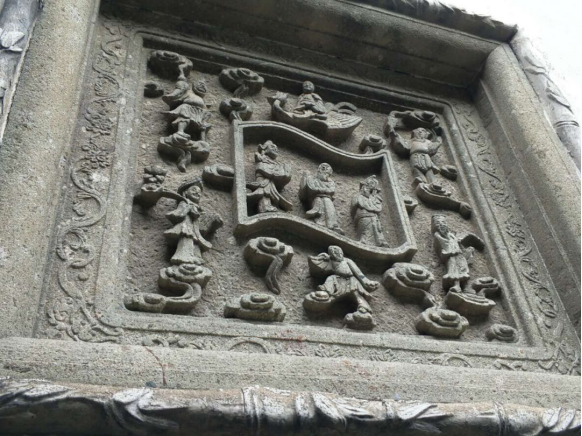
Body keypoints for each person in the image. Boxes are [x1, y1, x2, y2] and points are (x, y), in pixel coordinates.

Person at [164, 180, 214, 266]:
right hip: (186, 226)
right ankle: (183, 256)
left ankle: (197, 257)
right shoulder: (184, 203)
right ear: (185, 192)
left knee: (196, 241)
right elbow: (180, 214)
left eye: (199, 192)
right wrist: (188, 209)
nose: (197, 193)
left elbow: (199, 218)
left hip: (194, 227)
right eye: (193, 190)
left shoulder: (198, 208)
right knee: (187, 239)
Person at [247, 141, 293, 213]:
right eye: (272, 147)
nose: (275, 149)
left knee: (269, 194)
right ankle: (264, 207)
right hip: (263, 181)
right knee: (264, 193)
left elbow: (279, 176)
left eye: (276, 148)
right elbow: (264, 170)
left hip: (269, 182)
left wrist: (286, 173)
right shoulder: (262, 159)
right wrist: (280, 173)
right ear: (265, 149)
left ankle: (267, 205)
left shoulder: (274, 163)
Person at [300, 163, 344, 235]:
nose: (327, 176)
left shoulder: (331, 182)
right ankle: (320, 222)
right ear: (321, 170)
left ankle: (333, 225)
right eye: (326, 173)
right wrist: (323, 190)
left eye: (328, 174)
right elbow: (312, 188)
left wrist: (320, 190)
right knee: (320, 205)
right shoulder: (312, 179)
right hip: (316, 198)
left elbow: (331, 190)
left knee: (330, 208)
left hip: (327, 198)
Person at [351, 176, 389, 247]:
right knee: (366, 232)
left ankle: (380, 243)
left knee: (376, 230)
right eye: (368, 186)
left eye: (372, 187)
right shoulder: (358, 196)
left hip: (374, 218)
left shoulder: (376, 198)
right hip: (363, 217)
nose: (369, 189)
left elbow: (378, 209)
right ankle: (365, 242)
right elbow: (353, 208)